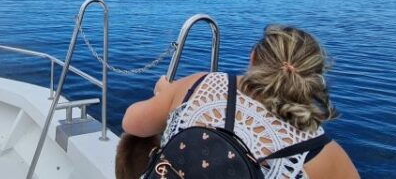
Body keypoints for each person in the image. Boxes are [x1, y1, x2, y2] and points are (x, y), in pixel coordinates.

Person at [120, 25, 359, 179]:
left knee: (134, 143)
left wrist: (165, 96)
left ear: (253, 57)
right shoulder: (324, 153)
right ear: (315, 76)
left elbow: (132, 123)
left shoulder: (201, 84)